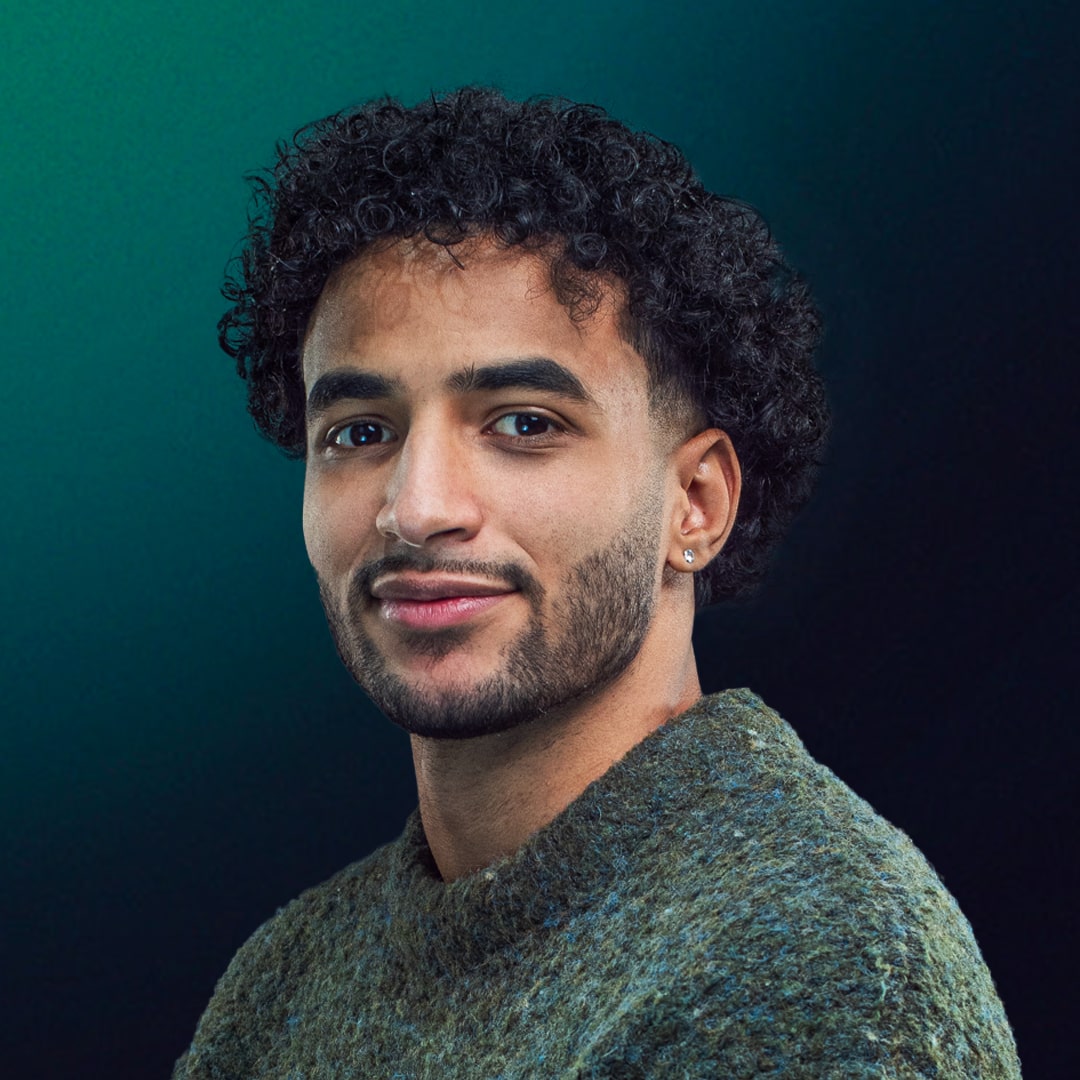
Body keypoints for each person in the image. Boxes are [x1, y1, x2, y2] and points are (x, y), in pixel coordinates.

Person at [174, 87, 1020, 1078]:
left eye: (524, 423)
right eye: (360, 432)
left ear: (696, 502)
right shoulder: (281, 986)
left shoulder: (816, 965)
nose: (417, 507)